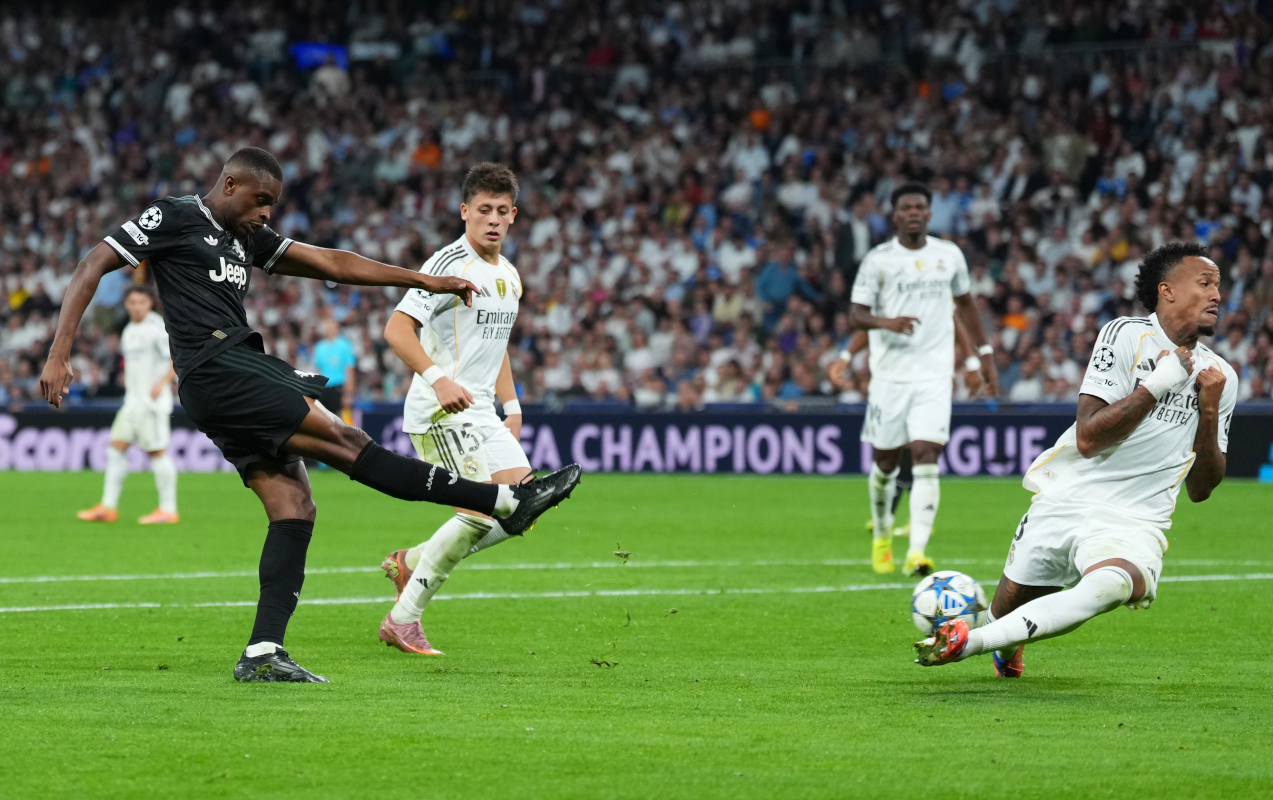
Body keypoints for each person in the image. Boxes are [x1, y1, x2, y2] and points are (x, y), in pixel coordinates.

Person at [39, 147, 582, 684]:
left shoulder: (247, 237)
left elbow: (330, 262)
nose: (266, 214)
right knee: (347, 442)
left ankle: (262, 652)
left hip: (225, 376)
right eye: (260, 201)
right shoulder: (176, 216)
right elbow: (95, 262)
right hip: (220, 366)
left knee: (295, 507)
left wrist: (421, 280)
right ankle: (506, 499)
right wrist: (60, 352)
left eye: (272, 204)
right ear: (230, 186)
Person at [915, 242, 1236, 676]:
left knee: (1111, 587)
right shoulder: (1125, 336)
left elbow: (1201, 489)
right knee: (1006, 605)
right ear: (1168, 291)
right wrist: (1159, 384)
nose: (1218, 294)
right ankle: (1002, 643)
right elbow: (1088, 437)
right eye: (1205, 283)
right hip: (1068, 498)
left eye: (1219, 285)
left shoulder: (1221, 377)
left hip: (1135, 521)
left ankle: (972, 640)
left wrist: (1210, 409)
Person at [376, 163, 534, 655]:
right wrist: (437, 378)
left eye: (501, 211)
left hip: (482, 410)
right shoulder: (447, 264)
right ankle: (403, 621)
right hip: (439, 409)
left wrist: (512, 404)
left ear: (513, 216)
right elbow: (397, 330)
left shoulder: (509, 275)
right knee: (482, 512)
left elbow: (497, 344)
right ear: (465, 212)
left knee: (523, 505)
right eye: (483, 210)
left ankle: (415, 561)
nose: (492, 219)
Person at [849, 182, 999, 577]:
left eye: (920, 207)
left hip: (934, 376)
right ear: (895, 215)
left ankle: (917, 551)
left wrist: (982, 357)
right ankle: (882, 532)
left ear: (929, 214)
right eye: (906, 207)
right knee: (884, 462)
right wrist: (886, 322)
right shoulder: (879, 260)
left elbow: (965, 305)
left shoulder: (948, 255)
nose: (914, 212)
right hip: (889, 378)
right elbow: (856, 314)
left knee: (927, 455)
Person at [828, 312, 988, 540]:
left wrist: (970, 364)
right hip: (906, 389)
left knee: (911, 454)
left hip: (923, 392)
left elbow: (954, 325)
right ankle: (905, 519)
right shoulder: (904, 313)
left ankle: (909, 521)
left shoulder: (928, 313)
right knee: (905, 458)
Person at [77, 285, 179, 524]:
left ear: (150, 304)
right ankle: (108, 507)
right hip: (131, 402)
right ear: (126, 304)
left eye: (141, 302)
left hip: (151, 403)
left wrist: (162, 383)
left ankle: (168, 509)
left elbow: (176, 359)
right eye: (132, 302)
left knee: (157, 452)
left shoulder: (157, 328)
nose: (137, 307)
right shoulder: (129, 329)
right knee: (115, 449)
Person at [312, 319, 357, 422]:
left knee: (343, 422)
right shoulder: (319, 347)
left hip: (339, 387)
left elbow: (349, 369)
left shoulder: (344, 345)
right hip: (324, 389)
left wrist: (348, 394)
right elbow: (317, 370)